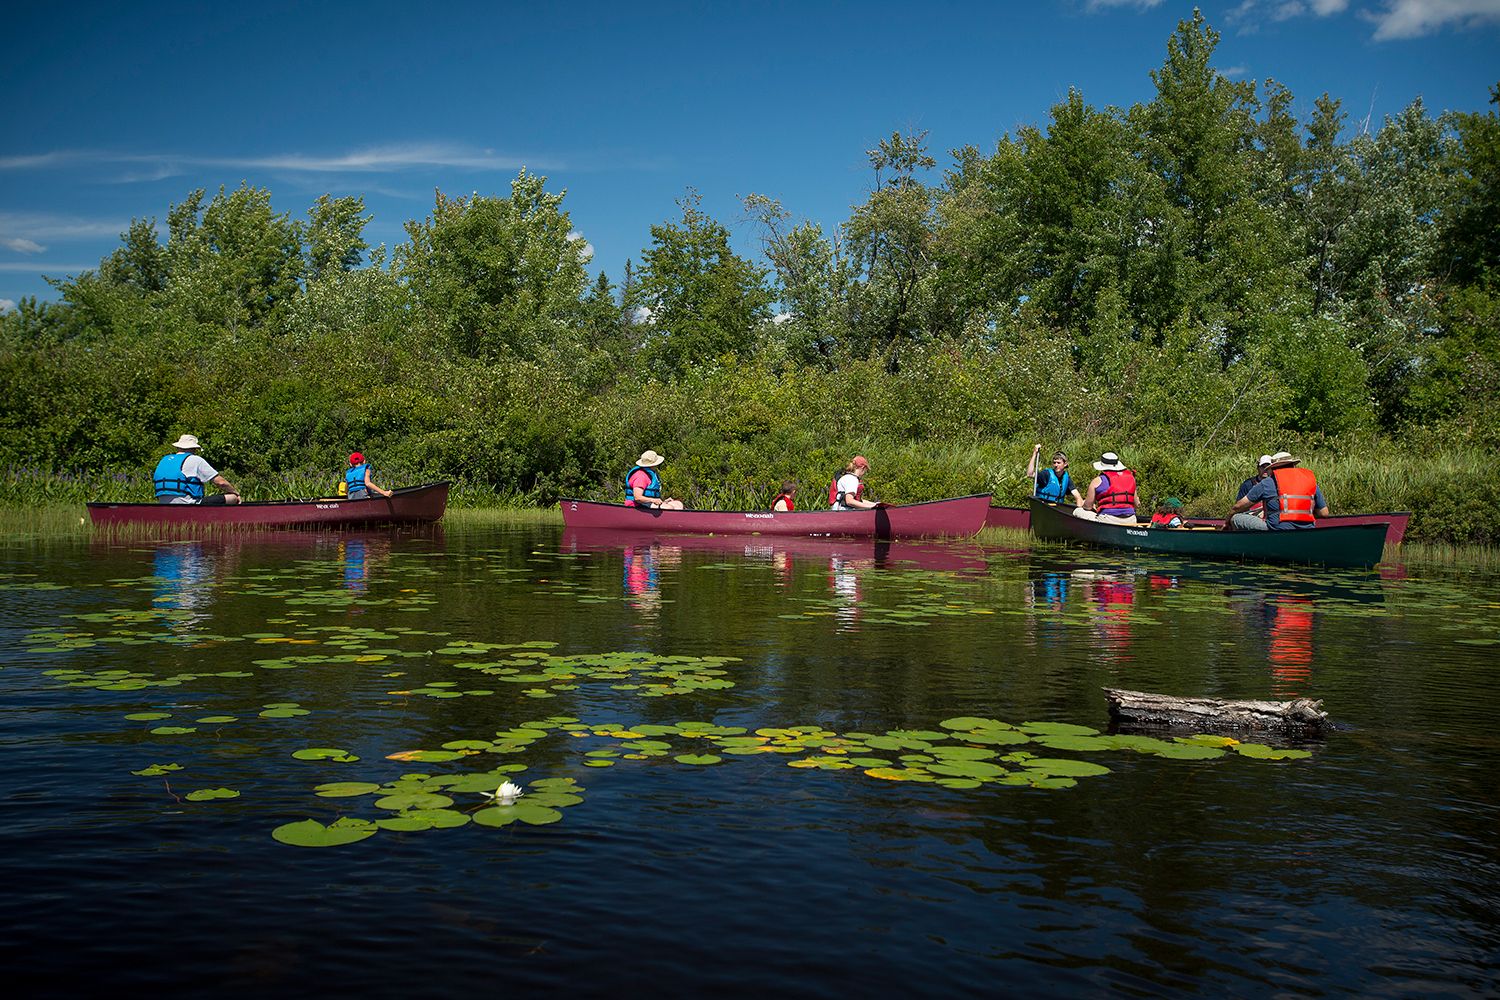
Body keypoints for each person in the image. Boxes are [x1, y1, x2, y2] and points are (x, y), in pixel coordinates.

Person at [1227, 451, 1329, 531]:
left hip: (1277, 529)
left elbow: (1238, 507)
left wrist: (1227, 521)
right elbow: (1324, 513)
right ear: (1293, 466)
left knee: (1236, 518)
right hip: (1307, 529)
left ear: (1273, 468)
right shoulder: (1310, 482)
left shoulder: (1267, 482)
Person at [153, 434, 241, 505]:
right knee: (232, 498)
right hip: (189, 504)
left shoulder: (164, 459)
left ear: (178, 447)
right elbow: (221, 482)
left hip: (163, 504)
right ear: (194, 448)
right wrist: (235, 492)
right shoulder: (195, 459)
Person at [1072, 451, 1137, 525]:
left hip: (1108, 520)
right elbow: (1136, 504)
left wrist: (1089, 506)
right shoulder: (1131, 479)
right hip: (1131, 520)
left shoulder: (1097, 480)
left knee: (1077, 511)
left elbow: (1087, 507)